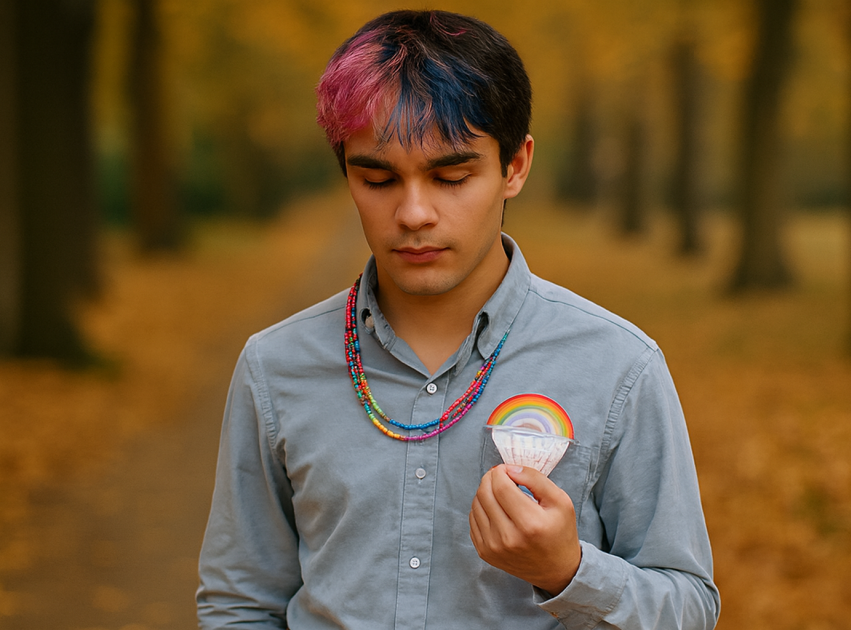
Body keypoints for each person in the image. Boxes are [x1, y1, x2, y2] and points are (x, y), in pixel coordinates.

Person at [197, 9, 720, 630]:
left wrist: (568, 571)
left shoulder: (618, 367)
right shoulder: (275, 367)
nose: (414, 212)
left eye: (451, 176)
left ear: (515, 166)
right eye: (378, 178)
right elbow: (240, 604)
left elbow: (689, 606)